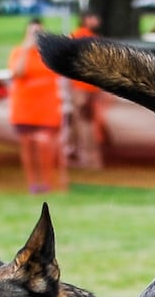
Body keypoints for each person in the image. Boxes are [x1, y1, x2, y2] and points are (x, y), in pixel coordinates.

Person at [8, 18, 65, 194]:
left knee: (45, 145)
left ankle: (48, 181)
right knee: (27, 146)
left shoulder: (49, 54)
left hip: (46, 107)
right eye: (32, 32)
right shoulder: (19, 51)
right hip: (24, 107)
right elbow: (17, 72)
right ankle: (32, 182)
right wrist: (26, 48)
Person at [69, 11, 106, 169]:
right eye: (93, 17)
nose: (96, 20)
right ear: (84, 19)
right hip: (86, 86)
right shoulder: (85, 37)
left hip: (82, 87)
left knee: (84, 121)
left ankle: (88, 158)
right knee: (84, 121)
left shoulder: (82, 37)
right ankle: (87, 157)